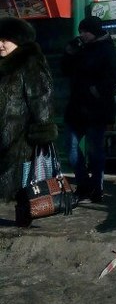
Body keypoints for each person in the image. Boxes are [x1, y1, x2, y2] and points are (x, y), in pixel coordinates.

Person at [61, 15, 116, 204]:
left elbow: (115, 77)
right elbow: (64, 71)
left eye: (85, 32)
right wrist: (68, 53)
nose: (82, 35)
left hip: (97, 109)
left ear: (94, 31)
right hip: (77, 107)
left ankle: (96, 187)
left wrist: (97, 90)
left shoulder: (109, 50)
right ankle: (83, 183)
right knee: (70, 147)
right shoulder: (81, 48)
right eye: (81, 32)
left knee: (95, 150)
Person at [0, 17, 58, 202]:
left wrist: (42, 129)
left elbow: (41, 97)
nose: (0, 45)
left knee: (23, 186)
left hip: (20, 138)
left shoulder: (30, 61)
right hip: (4, 136)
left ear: (19, 40)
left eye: (4, 40)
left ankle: (26, 214)